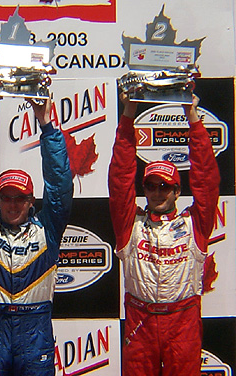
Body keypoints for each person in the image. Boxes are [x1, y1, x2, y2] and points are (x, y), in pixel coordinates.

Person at [0, 88, 73, 376]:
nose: (12, 204)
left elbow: (59, 186)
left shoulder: (47, 229)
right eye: (6, 197)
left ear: (31, 201)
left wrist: (46, 124)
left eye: (20, 198)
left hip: (35, 331)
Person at [108, 92, 220, 376]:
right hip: (140, 321)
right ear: (144, 189)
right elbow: (120, 178)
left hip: (183, 322)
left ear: (177, 191)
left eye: (165, 186)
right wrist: (129, 112)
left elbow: (206, 179)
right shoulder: (130, 224)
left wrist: (192, 116)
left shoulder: (195, 224)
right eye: (151, 186)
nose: (157, 192)